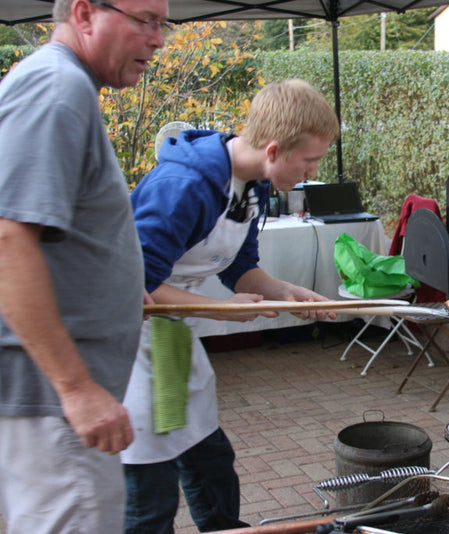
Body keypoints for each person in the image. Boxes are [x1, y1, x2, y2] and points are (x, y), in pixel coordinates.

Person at [122, 79, 341, 533]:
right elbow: (133, 282)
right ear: (275, 149)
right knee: (151, 491)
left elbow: (239, 267)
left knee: (211, 462)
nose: (312, 170)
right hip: (122, 339)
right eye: (310, 160)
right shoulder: (184, 186)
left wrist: (285, 290)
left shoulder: (254, 183)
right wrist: (218, 310)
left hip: (169, 333)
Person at [0, 0, 168, 532]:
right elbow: (8, 239)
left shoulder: (60, 84)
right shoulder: (57, 88)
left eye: (163, 23)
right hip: (53, 402)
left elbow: (55, 237)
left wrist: (113, 288)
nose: (158, 40)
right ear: (84, 13)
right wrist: (75, 388)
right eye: (145, 20)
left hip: (50, 398)